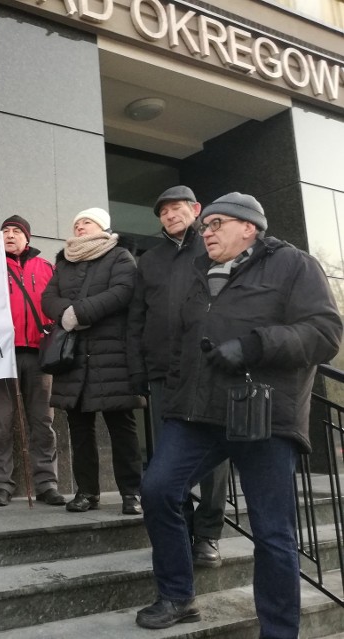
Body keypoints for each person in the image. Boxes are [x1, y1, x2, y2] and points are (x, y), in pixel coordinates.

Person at [136, 193, 342, 635]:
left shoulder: (294, 265)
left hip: (263, 416)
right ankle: (177, 595)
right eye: (204, 225)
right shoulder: (197, 272)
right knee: (157, 489)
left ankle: (279, 631)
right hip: (196, 415)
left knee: (272, 533)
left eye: (216, 224)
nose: (205, 232)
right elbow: (181, 345)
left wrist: (254, 345)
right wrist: (174, 400)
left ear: (249, 227)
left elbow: (324, 334)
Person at [126, 185, 229, 568]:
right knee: (168, 458)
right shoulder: (148, 260)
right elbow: (136, 318)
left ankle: (208, 535)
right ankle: (179, 531)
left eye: (176, 208)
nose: (170, 215)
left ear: (195, 209)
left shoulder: (214, 246)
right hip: (161, 372)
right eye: (163, 212)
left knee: (212, 458)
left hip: (209, 367)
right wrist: (137, 369)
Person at [41, 207, 143, 515]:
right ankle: (86, 492)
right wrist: (67, 314)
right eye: (77, 223)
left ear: (101, 226)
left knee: (121, 427)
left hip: (113, 356)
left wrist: (79, 313)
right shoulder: (64, 262)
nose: (80, 226)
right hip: (74, 359)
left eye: (87, 221)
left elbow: (123, 292)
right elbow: (48, 298)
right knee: (79, 429)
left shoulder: (120, 256)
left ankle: (131, 493)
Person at [0, 215, 62, 506]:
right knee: (0, 423)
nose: (10, 235)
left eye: (16, 231)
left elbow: (59, 304)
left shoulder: (46, 268)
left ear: (27, 238)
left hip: (40, 354)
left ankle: (46, 484)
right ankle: (1, 485)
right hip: (0, 356)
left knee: (43, 421)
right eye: (4, 230)